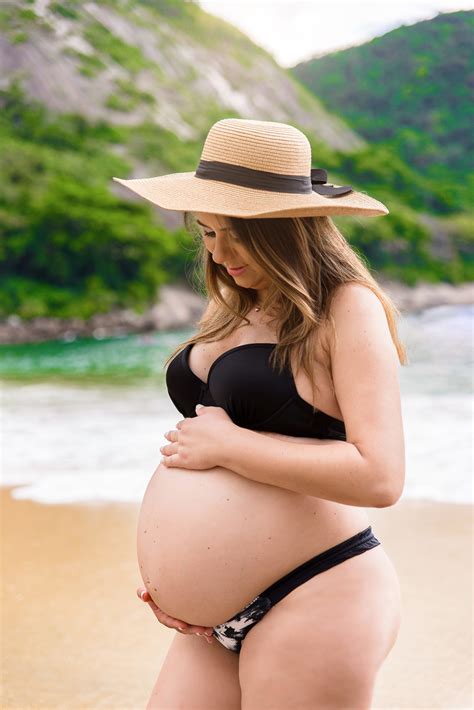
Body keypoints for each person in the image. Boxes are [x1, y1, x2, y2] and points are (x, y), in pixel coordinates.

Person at [115, 118, 406, 709]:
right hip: (210, 624)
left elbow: (380, 476)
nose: (219, 256)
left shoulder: (347, 309)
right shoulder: (231, 309)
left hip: (317, 591)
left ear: (285, 230)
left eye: (236, 235)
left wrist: (229, 449)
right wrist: (187, 581)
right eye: (207, 234)